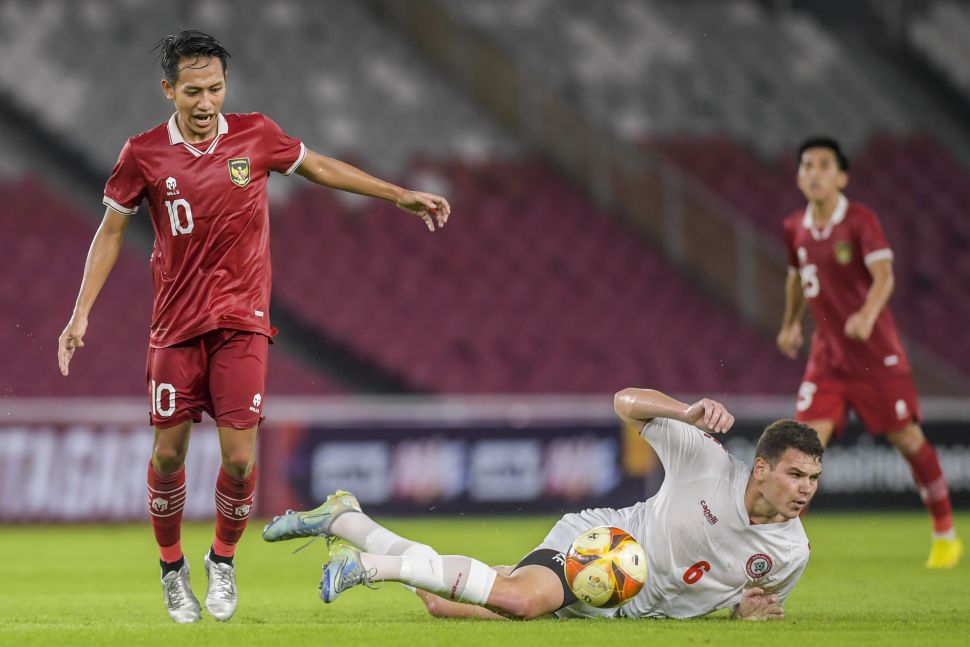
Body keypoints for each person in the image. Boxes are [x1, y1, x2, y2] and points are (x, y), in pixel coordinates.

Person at [56, 30, 451, 624]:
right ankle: (171, 569)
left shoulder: (255, 135)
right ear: (169, 89)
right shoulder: (142, 154)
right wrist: (81, 310)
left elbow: (316, 165)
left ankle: (221, 560)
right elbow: (111, 230)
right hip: (174, 327)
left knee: (239, 461)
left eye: (215, 88)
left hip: (243, 322)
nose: (206, 100)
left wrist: (397, 195)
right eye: (193, 90)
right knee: (168, 456)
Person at [263, 388, 823, 621]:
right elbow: (623, 402)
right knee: (522, 602)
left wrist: (739, 613)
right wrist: (685, 411)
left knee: (441, 602)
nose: (804, 489)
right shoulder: (708, 461)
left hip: (622, 604)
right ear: (762, 469)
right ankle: (370, 568)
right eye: (795, 474)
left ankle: (346, 517)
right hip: (603, 549)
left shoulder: (792, 552)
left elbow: (741, 602)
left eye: (813, 479)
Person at [777, 136, 962, 569]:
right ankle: (785, 549)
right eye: (807, 165)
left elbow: (885, 277)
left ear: (842, 176)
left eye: (824, 165)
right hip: (827, 360)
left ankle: (945, 534)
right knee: (804, 448)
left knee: (908, 440)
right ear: (799, 176)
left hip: (876, 357)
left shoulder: (860, 221)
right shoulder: (794, 228)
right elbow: (795, 278)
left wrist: (866, 314)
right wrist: (789, 325)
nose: (815, 172)